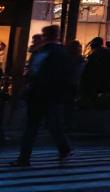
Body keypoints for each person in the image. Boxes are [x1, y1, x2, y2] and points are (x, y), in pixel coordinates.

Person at [10, 26, 73, 167]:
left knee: (33, 126)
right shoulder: (59, 52)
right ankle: (64, 149)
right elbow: (64, 75)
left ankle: (24, 158)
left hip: (40, 93)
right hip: (49, 94)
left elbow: (35, 71)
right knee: (51, 124)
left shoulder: (42, 52)